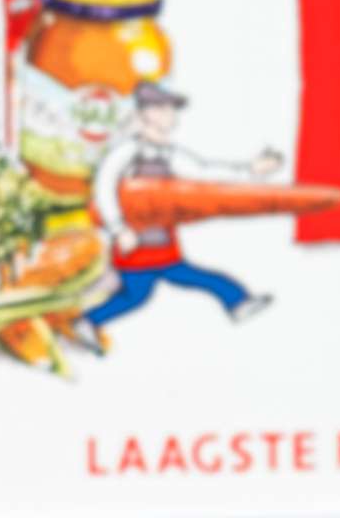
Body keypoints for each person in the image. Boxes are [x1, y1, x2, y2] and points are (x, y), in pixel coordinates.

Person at [86, 83, 282, 335]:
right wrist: (118, 229)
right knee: (138, 295)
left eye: (172, 110)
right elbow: (104, 187)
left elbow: (204, 171)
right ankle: (86, 321)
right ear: (147, 113)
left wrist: (250, 170)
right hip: (135, 243)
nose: (172, 115)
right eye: (166, 109)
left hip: (163, 241)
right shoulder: (127, 152)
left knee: (169, 284)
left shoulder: (170, 153)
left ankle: (239, 303)